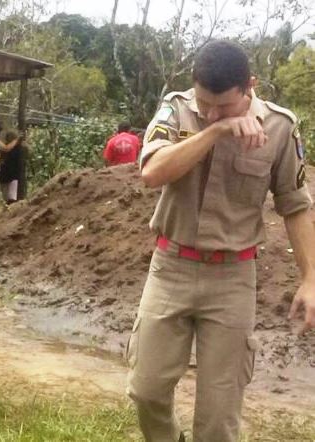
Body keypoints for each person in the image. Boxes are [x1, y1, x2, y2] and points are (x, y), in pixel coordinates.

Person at [128, 40, 315, 442]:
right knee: (146, 390)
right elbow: (152, 173)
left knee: (219, 415)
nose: (210, 111)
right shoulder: (177, 108)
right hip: (171, 268)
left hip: (233, 280)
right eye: (204, 103)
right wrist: (215, 129)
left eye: (223, 106)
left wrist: (310, 279)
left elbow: (295, 205)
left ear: (250, 85)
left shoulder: (281, 127)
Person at [0, 130, 22, 204]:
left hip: (9, 176)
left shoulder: (17, 148)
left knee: (10, 199)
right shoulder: (5, 147)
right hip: (8, 176)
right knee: (9, 199)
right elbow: (6, 148)